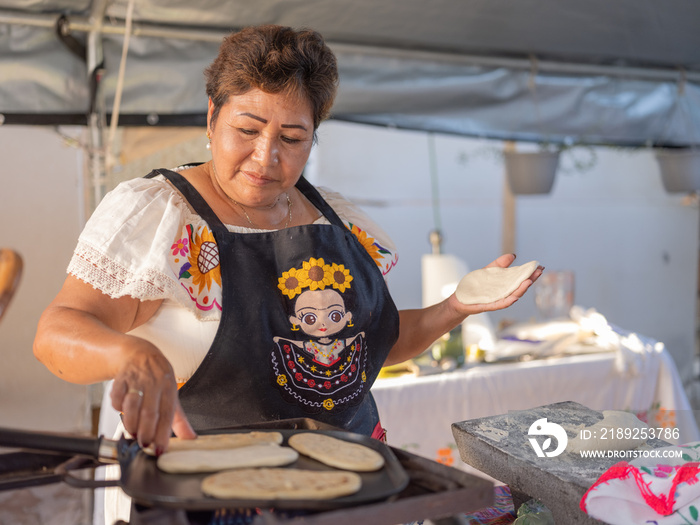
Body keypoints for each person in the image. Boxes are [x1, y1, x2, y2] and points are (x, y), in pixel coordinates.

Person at [34, 25, 543, 457]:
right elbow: (58, 331)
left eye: (292, 138)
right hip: (209, 486)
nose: (265, 157)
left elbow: (367, 346)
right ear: (212, 118)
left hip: (350, 480)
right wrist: (129, 355)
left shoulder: (334, 218)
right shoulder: (161, 215)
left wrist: (455, 306)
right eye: (247, 130)